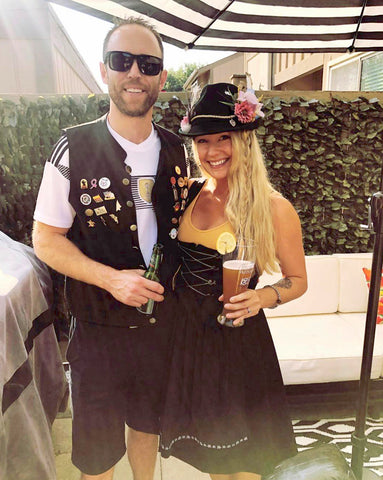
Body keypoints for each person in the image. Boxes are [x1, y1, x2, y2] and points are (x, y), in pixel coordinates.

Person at [32, 17, 188, 480]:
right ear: (105, 71)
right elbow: (45, 238)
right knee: (97, 455)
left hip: (162, 327)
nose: (134, 72)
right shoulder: (73, 147)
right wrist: (111, 278)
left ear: (162, 76)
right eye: (123, 61)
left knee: (147, 433)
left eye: (148, 63)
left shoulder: (179, 150)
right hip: (97, 333)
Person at [159, 83, 308, 479]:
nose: (213, 151)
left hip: (239, 343)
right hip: (191, 342)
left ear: (245, 138)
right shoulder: (189, 194)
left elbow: (298, 281)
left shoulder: (274, 207)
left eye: (225, 137)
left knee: (244, 467)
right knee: (214, 463)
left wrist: (262, 297)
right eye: (203, 140)